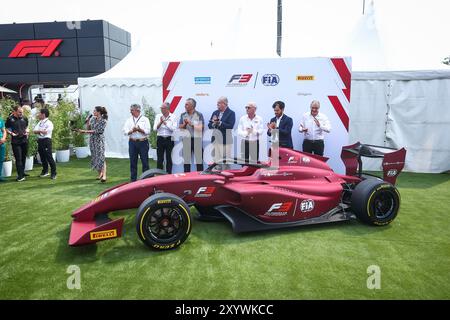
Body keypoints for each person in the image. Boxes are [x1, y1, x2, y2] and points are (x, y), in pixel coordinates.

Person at [78, 106, 108, 182]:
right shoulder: (93, 119)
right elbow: (89, 129)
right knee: (95, 157)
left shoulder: (103, 121)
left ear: (99, 112)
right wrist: (88, 122)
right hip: (92, 140)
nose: (93, 112)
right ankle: (100, 174)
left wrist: (84, 132)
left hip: (99, 140)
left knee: (101, 157)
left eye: (94, 111)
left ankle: (104, 175)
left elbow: (98, 131)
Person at [122, 104, 150, 181]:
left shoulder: (145, 119)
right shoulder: (129, 120)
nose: (130, 111)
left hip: (143, 142)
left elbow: (148, 131)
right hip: (132, 142)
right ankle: (133, 180)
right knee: (133, 162)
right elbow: (124, 131)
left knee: (145, 162)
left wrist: (140, 130)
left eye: (132, 110)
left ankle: (146, 180)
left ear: (137, 110)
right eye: (131, 110)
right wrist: (132, 130)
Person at [208, 96, 236, 169]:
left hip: (225, 141)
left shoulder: (231, 113)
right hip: (215, 140)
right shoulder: (215, 112)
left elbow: (230, 126)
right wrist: (213, 124)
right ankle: (216, 178)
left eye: (219, 103)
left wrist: (220, 123)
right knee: (216, 162)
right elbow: (209, 125)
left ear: (225, 104)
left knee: (225, 162)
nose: (217, 105)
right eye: (217, 104)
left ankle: (227, 178)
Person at [179, 98, 204, 172]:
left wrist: (190, 123)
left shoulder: (199, 114)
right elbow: (180, 127)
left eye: (187, 104)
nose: (185, 106)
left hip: (197, 140)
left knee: (199, 162)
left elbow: (201, 128)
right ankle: (187, 180)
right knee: (186, 162)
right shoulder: (183, 115)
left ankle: (200, 179)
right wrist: (185, 124)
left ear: (192, 106)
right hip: (186, 140)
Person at [5, 106, 29, 182]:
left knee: (23, 157)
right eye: (19, 112)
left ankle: (22, 172)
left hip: (24, 140)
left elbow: (27, 127)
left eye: (22, 112)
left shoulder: (24, 118)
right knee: (18, 158)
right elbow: (7, 128)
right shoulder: (10, 119)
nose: (21, 113)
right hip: (16, 142)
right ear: (14, 112)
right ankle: (20, 176)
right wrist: (11, 133)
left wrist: (27, 131)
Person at [153, 102, 177, 173]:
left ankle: (169, 174)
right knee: (160, 158)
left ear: (167, 109)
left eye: (163, 108)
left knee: (169, 158)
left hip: (169, 139)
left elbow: (173, 129)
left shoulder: (173, 116)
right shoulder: (158, 116)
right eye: (161, 108)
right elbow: (155, 128)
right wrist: (160, 122)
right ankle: (159, 174)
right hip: (160, 138)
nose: (161, 110)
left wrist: (165, 123)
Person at [33, 108, 57, 179]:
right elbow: (34, 130)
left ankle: (54, 173)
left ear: (43, 114)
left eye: (39, 113)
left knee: (49, 157)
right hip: (40, 140)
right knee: (42, 157)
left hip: (46, 140)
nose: (38, 115)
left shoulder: (49, 123)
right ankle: (45, 171)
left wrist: (39, 131)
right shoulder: (40, 122)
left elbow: (46, 132)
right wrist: (40, 131)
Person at [0, 115, 7, 182]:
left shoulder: (1, 120)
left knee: (1, 159)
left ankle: (0, 176)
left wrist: (3, 138)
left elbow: (4, 131)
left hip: (1, 142)